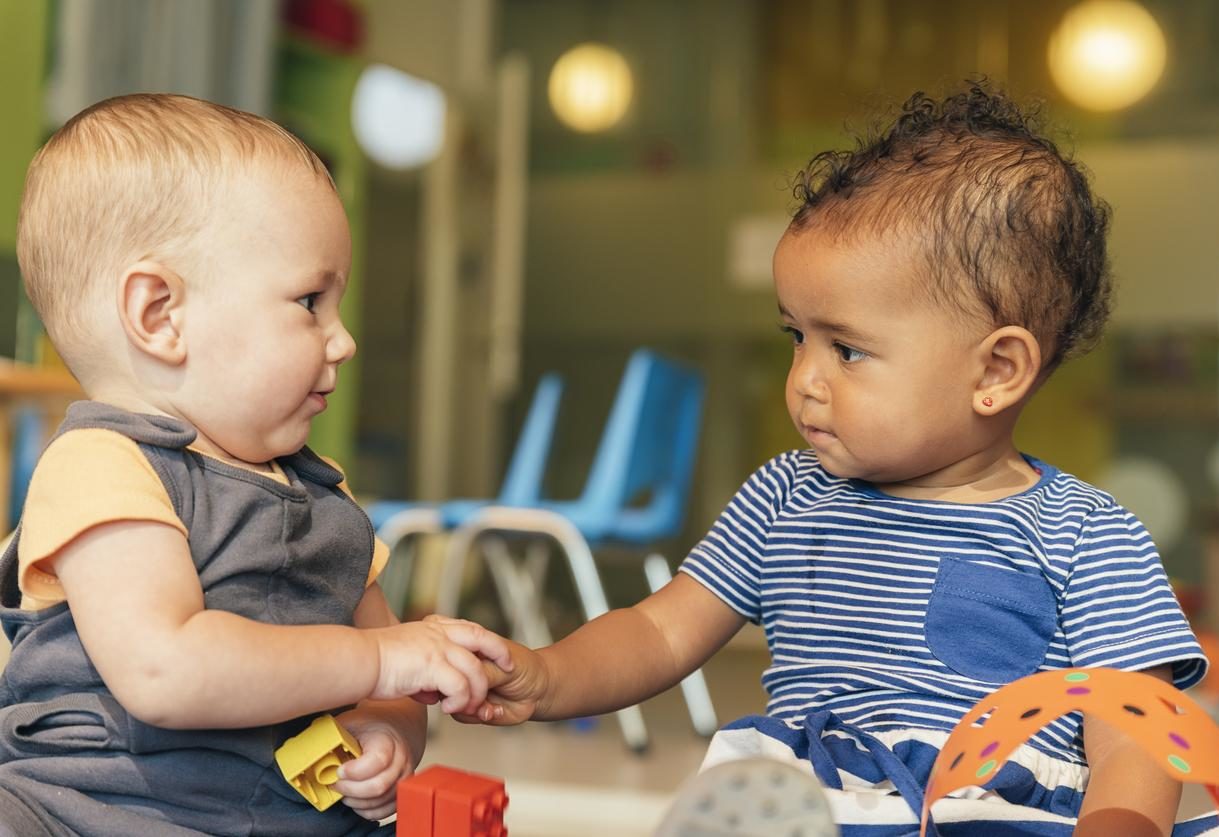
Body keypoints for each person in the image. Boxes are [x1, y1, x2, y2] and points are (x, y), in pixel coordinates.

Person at [471, 84, 1215, 836]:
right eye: (796, 336)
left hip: (991, 814)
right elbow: (660, 632)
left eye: (847, 349)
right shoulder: (784, 496)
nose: (805, 381)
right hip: (805, 809)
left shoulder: (1086, 534)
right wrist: (550, 673)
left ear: (994, 373)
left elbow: (1131, 726)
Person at [0, 93, 511, 837]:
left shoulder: (324, 498)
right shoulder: (102, 467)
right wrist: (375, 662)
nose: (342, 341)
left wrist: (387, 730)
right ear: (159, 316)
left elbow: (391, 677)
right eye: (310, 301)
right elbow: (165, 669)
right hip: (86, 814)